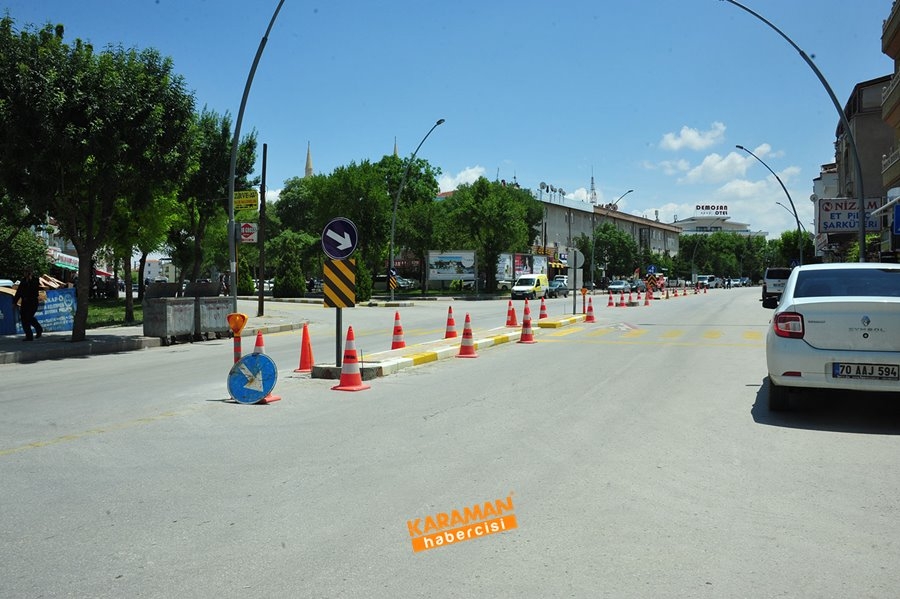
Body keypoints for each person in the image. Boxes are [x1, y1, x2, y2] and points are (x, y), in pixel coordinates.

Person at [13, 267, 43, 341]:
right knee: (24, 318)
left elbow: (34, 289)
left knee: (29, 317)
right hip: (24, 302)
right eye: (25, 272)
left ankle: (39, 329)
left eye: (27, 272)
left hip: (32, 302)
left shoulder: (35, 280)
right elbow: (19, 292)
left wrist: (29, 280)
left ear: (30, 273)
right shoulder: (23, 280)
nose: (25, 273)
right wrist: (14, 302)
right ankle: (29, 336)